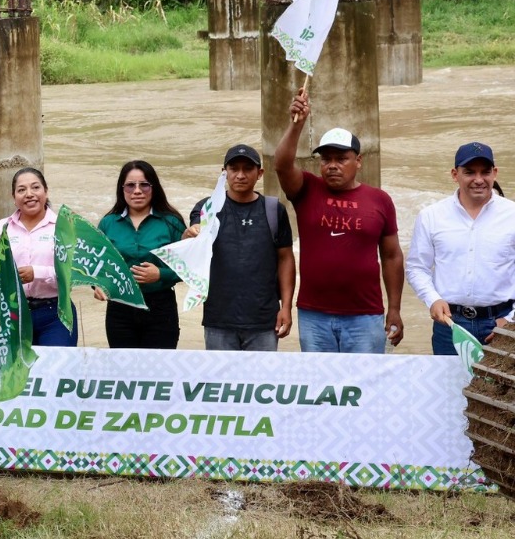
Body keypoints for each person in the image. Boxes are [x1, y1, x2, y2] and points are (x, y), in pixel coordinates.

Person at [274, 87, 404, 352]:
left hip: (365, 315)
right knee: (321, 390)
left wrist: (395, 308)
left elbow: (391, 257)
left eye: (341, 159)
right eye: (326, 159)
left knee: (365, 388)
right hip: (313, 314)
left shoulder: (380, 200)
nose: (332, 165)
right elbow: (282, 165)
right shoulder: (306, 189)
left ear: (358, 161)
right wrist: (296, 124)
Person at [406, 142, 515, 356]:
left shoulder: (512, 214)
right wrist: (433, 299)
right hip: (450, 326)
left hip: (502, 324)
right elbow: (416, 267)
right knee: (445, 389)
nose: (478, 179)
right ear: (455, 174)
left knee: (502, 389)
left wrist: (511, 320)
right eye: (469, 172)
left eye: (485, 172)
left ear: (495, 173)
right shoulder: (431, 216)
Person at [185, 145, 295, 351]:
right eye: (234, 169)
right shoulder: (207, 208)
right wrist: (190, 233)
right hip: (219, 318)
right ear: (224, 172)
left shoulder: (274, 210)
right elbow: (190, 248)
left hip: (264, 319)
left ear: (259, 173)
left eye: (248, 169)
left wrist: (286, 307)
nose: (240, 175)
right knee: (220, 383)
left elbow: (286, 258)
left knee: (262, 381)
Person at [0, 167, 76, 346]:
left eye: (35, 188)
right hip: (14, 314)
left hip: (56, 313)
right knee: (17, 373)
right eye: (21, 190)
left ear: (46, 191)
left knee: (54, 371)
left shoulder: (64, 227)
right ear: (14, 197)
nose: (29, 194)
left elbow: (73, 274)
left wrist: (36, 273)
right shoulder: (2, 228)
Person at [96, 160, 186, 349]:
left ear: (154, 188)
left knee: (159, 372)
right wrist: (97, 285)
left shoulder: (172, 223)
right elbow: (93, 265)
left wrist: (160, 274)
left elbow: (189, 268)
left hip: (161, 308)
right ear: (122, 189)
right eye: (130, 185)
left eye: (144, 185)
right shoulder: (108, 223)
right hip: (119, 309)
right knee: (123, 372)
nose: (137, 191)